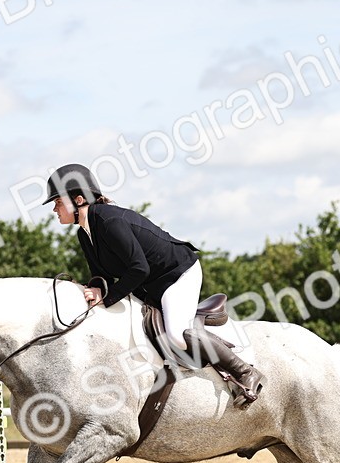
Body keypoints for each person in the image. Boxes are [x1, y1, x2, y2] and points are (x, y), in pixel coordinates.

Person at [43, 163, 264, 408]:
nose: (54, 208)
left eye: (58, 202)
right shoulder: (85, 233)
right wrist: (96, 288)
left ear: (79, 200)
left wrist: (108, 297)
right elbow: (100, 275)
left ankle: (245, 372)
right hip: (150, 283)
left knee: (178, 335)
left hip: (177, 274)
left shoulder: (109, 221)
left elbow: (139, 268)